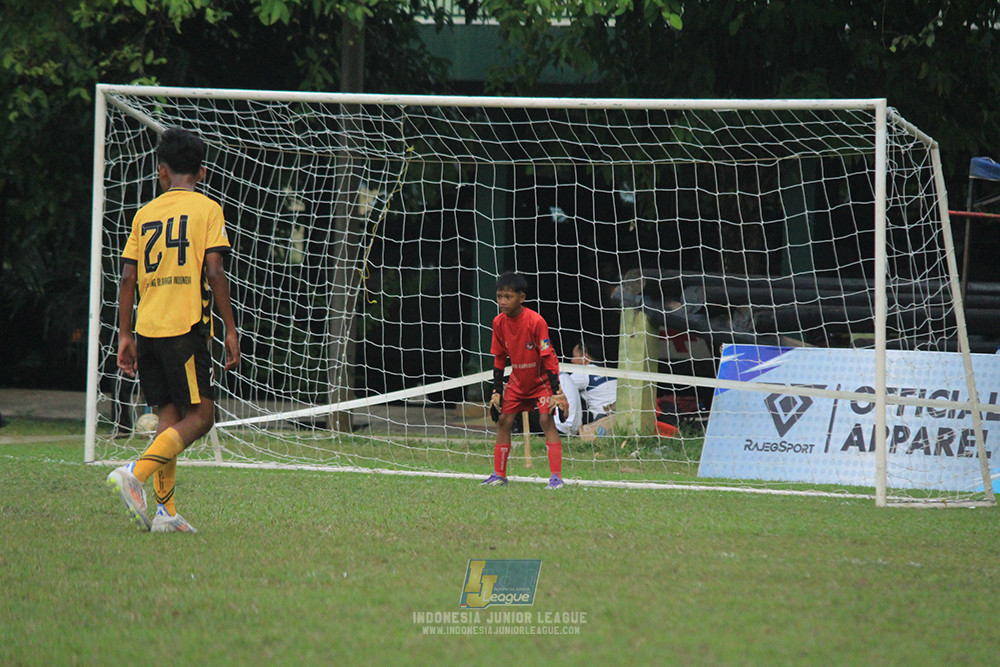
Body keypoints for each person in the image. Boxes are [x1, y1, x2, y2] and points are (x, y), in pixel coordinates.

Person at [107, 127, 240, 533]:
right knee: (202, 416)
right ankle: (135, 470)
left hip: (147, 328)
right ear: (201, 172)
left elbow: (127, 277)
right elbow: (214, 269)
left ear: (161, 172)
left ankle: (165, 513)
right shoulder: (207, 209)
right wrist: (231, 329)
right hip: (184, 328)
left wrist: (125, 334)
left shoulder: (144, 214)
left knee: (169, 415)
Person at [482, 272, 568, 490]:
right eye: (499, 296)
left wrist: (557, 391)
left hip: (541, 383)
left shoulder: (535, 321)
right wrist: (497, 391)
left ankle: (556, 478)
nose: (502, 301)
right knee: (503, 421)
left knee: (546, 420)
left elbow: (548, 357)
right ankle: (499, 475)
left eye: (507, 297)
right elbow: (500, 358)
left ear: (521, 298)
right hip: (518, 382)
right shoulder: (498, 323)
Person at [554, 338, 618, 436]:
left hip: (603, 419)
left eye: (574, 356)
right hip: (618, 414)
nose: (571, 360)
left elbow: (564, 385)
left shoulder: (585, 372)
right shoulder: (610, 371)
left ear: (585, 357)